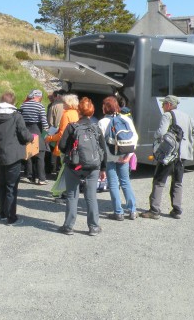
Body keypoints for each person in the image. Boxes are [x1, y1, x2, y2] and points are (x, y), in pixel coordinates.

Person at [141, 95, 194, 220]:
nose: (162, 107)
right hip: (182, 155)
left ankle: (154, 210)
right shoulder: (186, 116)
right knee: (177, 181)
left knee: (159, 180)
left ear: (168, 105)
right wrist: (188, 142)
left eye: (163, 104)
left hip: (168, 154)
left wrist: (156, 136)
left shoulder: (167, 115)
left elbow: (162, 132)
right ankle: (177, 210)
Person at [57, 97, 107, 236]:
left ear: (79, 111)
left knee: (72, 195)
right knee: (91, 196)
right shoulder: (96, 128)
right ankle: (94, 227)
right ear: (91, 113)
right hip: (93, 167)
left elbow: (61, 146)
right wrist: (103, 169)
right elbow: (103, 150)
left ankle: (68, 227)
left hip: (73, 166)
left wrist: (70, 153)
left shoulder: (72, 127)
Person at [0, 91, 35, 226]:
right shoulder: (16, 116)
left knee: (0, 185)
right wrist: (31, 137)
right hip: (12, 155)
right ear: (13, 102)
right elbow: (24, 135)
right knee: (11, 187)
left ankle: (2, 212)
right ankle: (11, 217)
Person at [97, 96, 138, 221]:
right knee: (126, 182)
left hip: (110, 157)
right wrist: (128, 156)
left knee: (113, 184)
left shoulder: (102, 122)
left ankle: (118, 212)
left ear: (105, 107)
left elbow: (100, 144)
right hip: (124, 155)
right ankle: (132, 211)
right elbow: (135, 138)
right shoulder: (126, 119)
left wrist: (101, 164)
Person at [19, 89, 49, 185]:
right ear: (38, 96)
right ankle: (41, 178)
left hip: (26, 130)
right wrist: (46, 129)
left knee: (29, 153)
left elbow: (20, 118)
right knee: (40, 154)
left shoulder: (23, 105)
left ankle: (30, 176)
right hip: (36, 129)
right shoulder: (39, 106)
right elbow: (43, 121)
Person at [46, 89, 66, 176]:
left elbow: (49, 121)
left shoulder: (54, 106)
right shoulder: (69, 107)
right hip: (65, 132)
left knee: (52, 149)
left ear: (58, 96)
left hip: (55, 131)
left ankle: (51, 168)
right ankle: (59, 169)